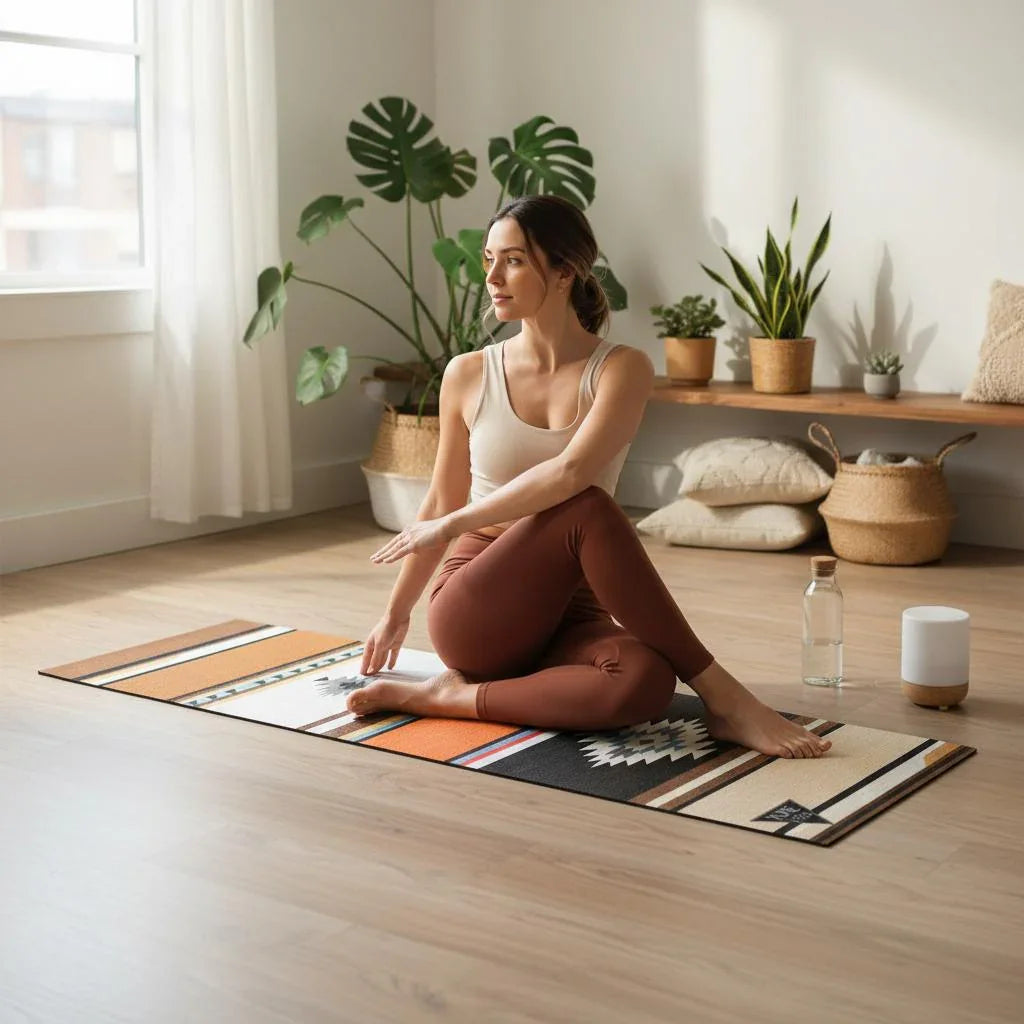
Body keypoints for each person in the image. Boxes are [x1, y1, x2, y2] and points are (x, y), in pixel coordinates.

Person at [349, 195, 831, 759]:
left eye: (514, 261)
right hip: (478, 601)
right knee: (590, 506)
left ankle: (448, 699)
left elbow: (572, 469)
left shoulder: (621, 368)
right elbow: (441, 500)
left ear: (564, 271)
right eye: (488, 260)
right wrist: (396, 612)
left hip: (572, 609)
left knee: (644, 681)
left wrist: (450, 521)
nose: (493, 277)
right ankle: (725, 697)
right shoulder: (470, 372)